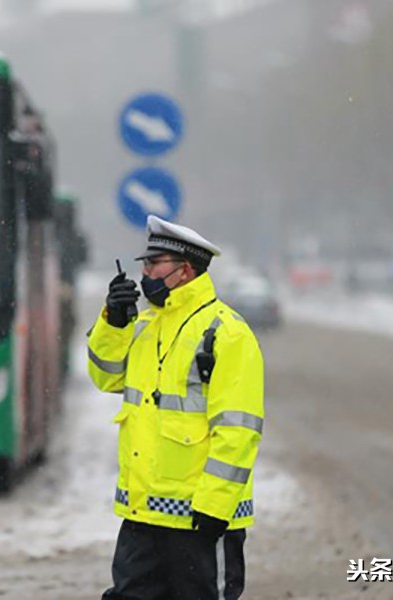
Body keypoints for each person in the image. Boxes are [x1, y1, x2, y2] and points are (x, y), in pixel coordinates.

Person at [88, 215, 264, 600]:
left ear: (184, 271)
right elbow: (106, 377)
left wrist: (215, 506)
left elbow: (238, 429)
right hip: (143, 519)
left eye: (154, 264)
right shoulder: (146, 325)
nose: (145, 272)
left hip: (202, 522)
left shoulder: (227, 333)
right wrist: (114, 322)